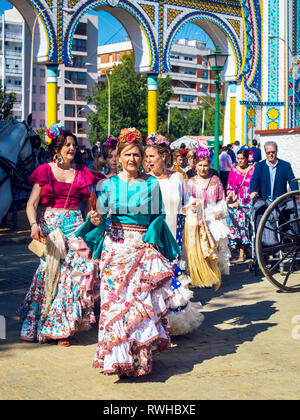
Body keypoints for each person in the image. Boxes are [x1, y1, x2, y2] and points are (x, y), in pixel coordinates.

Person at [75, 127, 180, 378]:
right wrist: (96, 219)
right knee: (113, 305)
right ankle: (115, 358)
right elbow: (99, 216)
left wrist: (150, 241)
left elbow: (159, 217)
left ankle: (140, 359)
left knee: (139, 306)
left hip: (141, 249)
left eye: (136, 155)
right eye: (127, 155)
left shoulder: (152, 183)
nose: (132, 159)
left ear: (142, 157)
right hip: (115, 250)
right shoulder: (108, 184)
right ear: (119, 157)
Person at [18, 123, 97, 346]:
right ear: (58, 147)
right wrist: (33, 225)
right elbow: (31, 204)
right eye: (67, 145)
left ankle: (62, 326)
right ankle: (47, 324)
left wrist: (90, 219)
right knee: (49, 275)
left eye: (74, 145)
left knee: (76, 273)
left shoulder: (82, 172)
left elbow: (87, 204)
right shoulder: (44, 170)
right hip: (51, 227)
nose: (72, 148)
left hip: (75, 225)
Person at [145, 133, 204, 336]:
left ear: (163, 156)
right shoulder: (144, 181)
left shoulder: (178, 177)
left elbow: (186, 201)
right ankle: (154, 324)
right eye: (147, 157)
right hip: (152, 238)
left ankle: (174, 323)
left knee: (173, 277)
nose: (148, 161)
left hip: (175, 234)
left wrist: (193, 206)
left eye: (152, 156)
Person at [184, 147, 230, 289]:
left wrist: (218, 210)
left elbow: (222, 199)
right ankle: (200, 275)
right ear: (195, 165)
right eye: (200, 165)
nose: (203, 168)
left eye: (206, 165)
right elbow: (186, 200)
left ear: (209, 165)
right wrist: (191, 205)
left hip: (212, 217)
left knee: (213, 248)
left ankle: (214, 274)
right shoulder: (190, 182)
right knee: (198, 248)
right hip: (197, 218)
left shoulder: (215, 180)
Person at [226, 148, 255, 262]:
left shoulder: (253, 170)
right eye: (238, 159)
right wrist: (231, 197)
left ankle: (249, 249)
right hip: (238, 203)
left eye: (242, 158)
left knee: (252, 226)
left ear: (247, 159)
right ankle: (241, 253)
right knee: (240, 224)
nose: (240, 161)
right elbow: (229, 188)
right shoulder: (233, 171)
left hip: (251, 202)